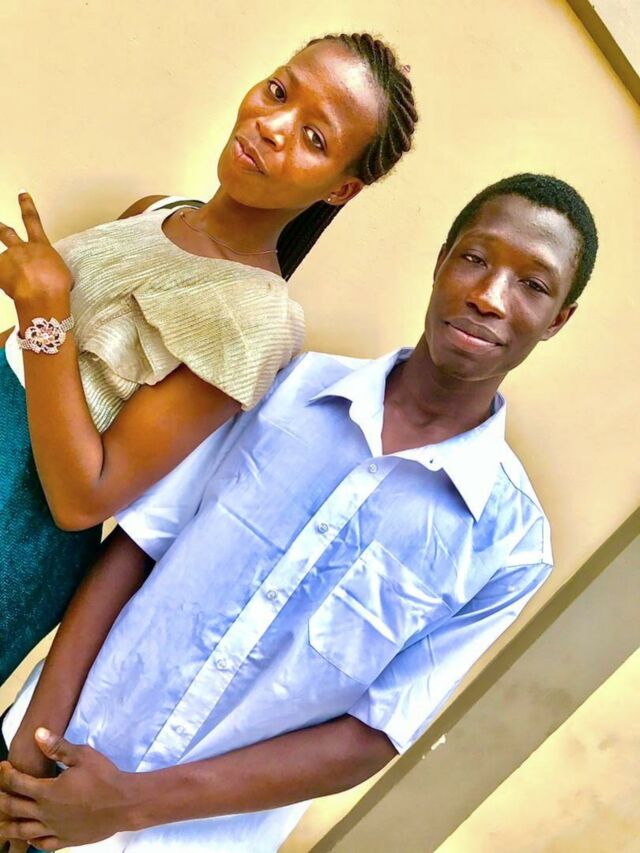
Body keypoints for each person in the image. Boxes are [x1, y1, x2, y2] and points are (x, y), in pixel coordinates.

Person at [0, 173, 598, 853]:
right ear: (441, 262)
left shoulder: (509, 545)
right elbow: (137, 545)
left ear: (559, 319)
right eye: (475, 258)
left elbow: (371, 735)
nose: (489, 296)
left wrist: (128, 806)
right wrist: (31, 750)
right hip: (38, 769)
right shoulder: (285, 386)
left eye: (533, 284)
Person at [0, 32, 419, 685]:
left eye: (314, 137)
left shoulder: (258, 318)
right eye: (278, 91)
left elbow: (84, 497)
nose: (273, 125)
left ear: (341, 189)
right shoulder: (157, 211)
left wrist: (45, 312)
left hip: (15, 516)